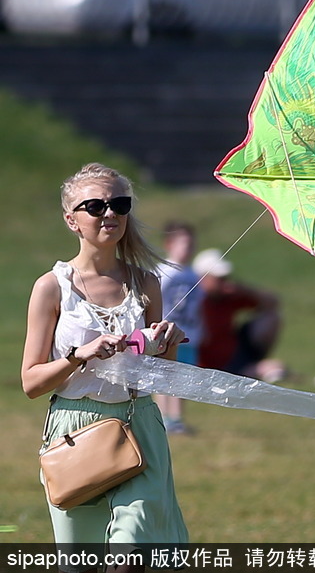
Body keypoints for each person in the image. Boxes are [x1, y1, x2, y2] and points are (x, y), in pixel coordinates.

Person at [21, 163, 188, 551]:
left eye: (119, 204)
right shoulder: (51, 287)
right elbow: (30, 382)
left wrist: (169, 341)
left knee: (132, 548)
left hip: (139, 426)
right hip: (75, 429)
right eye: (94, 206)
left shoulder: (146, 282)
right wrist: (80, 355)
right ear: (72, 220)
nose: (109, 213)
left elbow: (161, 377)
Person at [193, 248, 286, 382]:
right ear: (203, 278)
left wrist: (243, 290)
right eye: (219, 279)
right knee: (273, 369)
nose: (225, 282)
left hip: (234, 354)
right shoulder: (195, 303)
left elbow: (272, 303)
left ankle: (255, 365)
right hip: (207, 364)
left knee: (271, 317)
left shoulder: (227, 296)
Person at [154, 221, 204, 435]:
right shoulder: (164, 271)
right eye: (183, 243)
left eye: (191, 244)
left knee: (183, 377)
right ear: (170, 244)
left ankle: (177, 418)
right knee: (164, 376)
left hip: (189, 333)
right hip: (166, 332)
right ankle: (163, 418)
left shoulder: (193, 274)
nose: (188, 248)